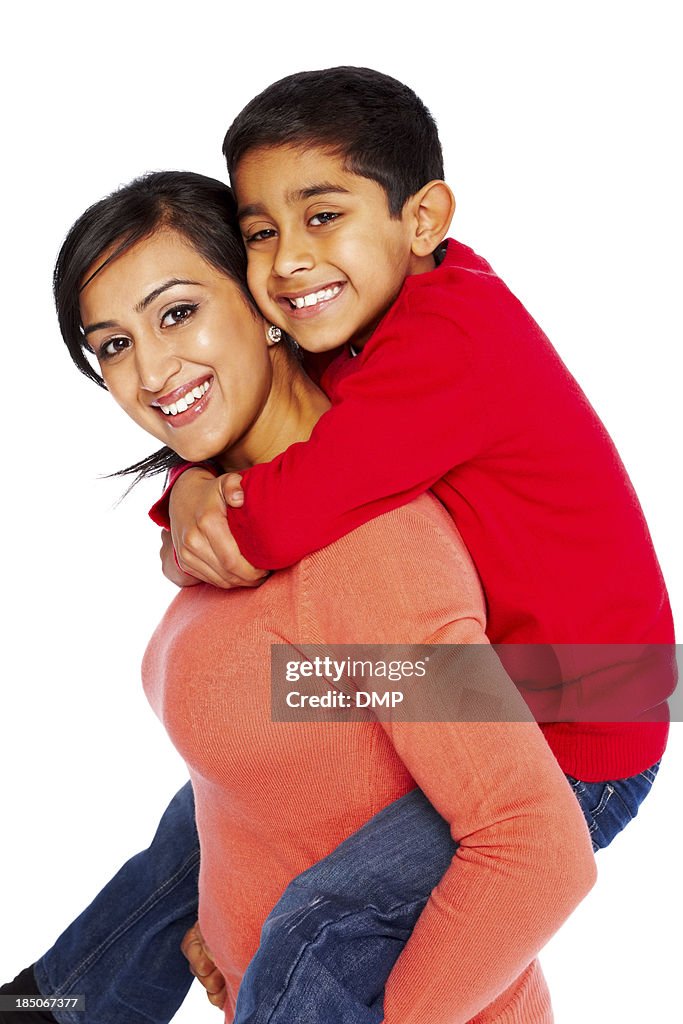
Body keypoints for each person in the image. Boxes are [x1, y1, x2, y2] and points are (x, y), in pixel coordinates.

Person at [2, 65, 673, 1019]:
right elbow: (286, 768)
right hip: (542, 671)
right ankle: (49, 1005)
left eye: (180, 313)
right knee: (200, 828)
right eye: (111, 345)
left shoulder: (417, 419)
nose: (289, 265)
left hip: (595, 704)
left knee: (322, 923)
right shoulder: (375, 328)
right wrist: (190, 485)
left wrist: (192, 511)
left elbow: (531, 844)